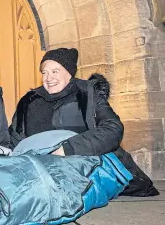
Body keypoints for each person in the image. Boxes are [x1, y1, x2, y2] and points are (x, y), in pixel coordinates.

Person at [9, 47, 159, 196]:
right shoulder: (29, 101)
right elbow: (15, 139)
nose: (48, 78)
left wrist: (67, 149)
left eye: (55, 71)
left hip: (88, 166)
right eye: (44, 72)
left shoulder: (88, 93)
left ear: (69, 73)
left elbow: (113, 129)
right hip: (43, 170)